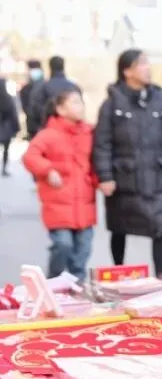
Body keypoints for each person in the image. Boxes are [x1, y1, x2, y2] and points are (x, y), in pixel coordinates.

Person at [92, 49, 162, 279]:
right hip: (124, 178)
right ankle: (118, 272)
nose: (147, 68)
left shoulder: (159, 101)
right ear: (127, 70)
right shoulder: (112, 104)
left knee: (160, 227)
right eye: (142, 64)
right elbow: (102, 144)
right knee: (119, 227)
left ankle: (161, 275)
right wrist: (105, 176)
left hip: (157, 177)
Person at [22, 89, 98, 280]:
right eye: (74, 102)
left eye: (81, 102)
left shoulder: (90, 133)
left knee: (82, 253)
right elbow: (30, 157)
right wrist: (48, 170)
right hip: (58, 205)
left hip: (84, 205)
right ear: (60, 109)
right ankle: (53, 281)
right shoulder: (48, 134)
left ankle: (76, 293)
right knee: (63, 245)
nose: (80, 106)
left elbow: (98, 161)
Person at [28, 56, 79, 138]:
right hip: (72, 133)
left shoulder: (42, 88)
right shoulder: (74, 87)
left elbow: (35, 110)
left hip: (48, 131)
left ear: (50, 67)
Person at [19, 60, 44, 139]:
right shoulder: (25, 89)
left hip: (38, 125)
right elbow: (25, 107)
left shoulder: (46, 86)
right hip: (33, 125)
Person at [0, 78, 18, 176]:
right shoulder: (8, 99)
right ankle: (4, 168)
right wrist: (16, 128)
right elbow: (13, 114)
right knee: (6, 150)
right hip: (6, 128)